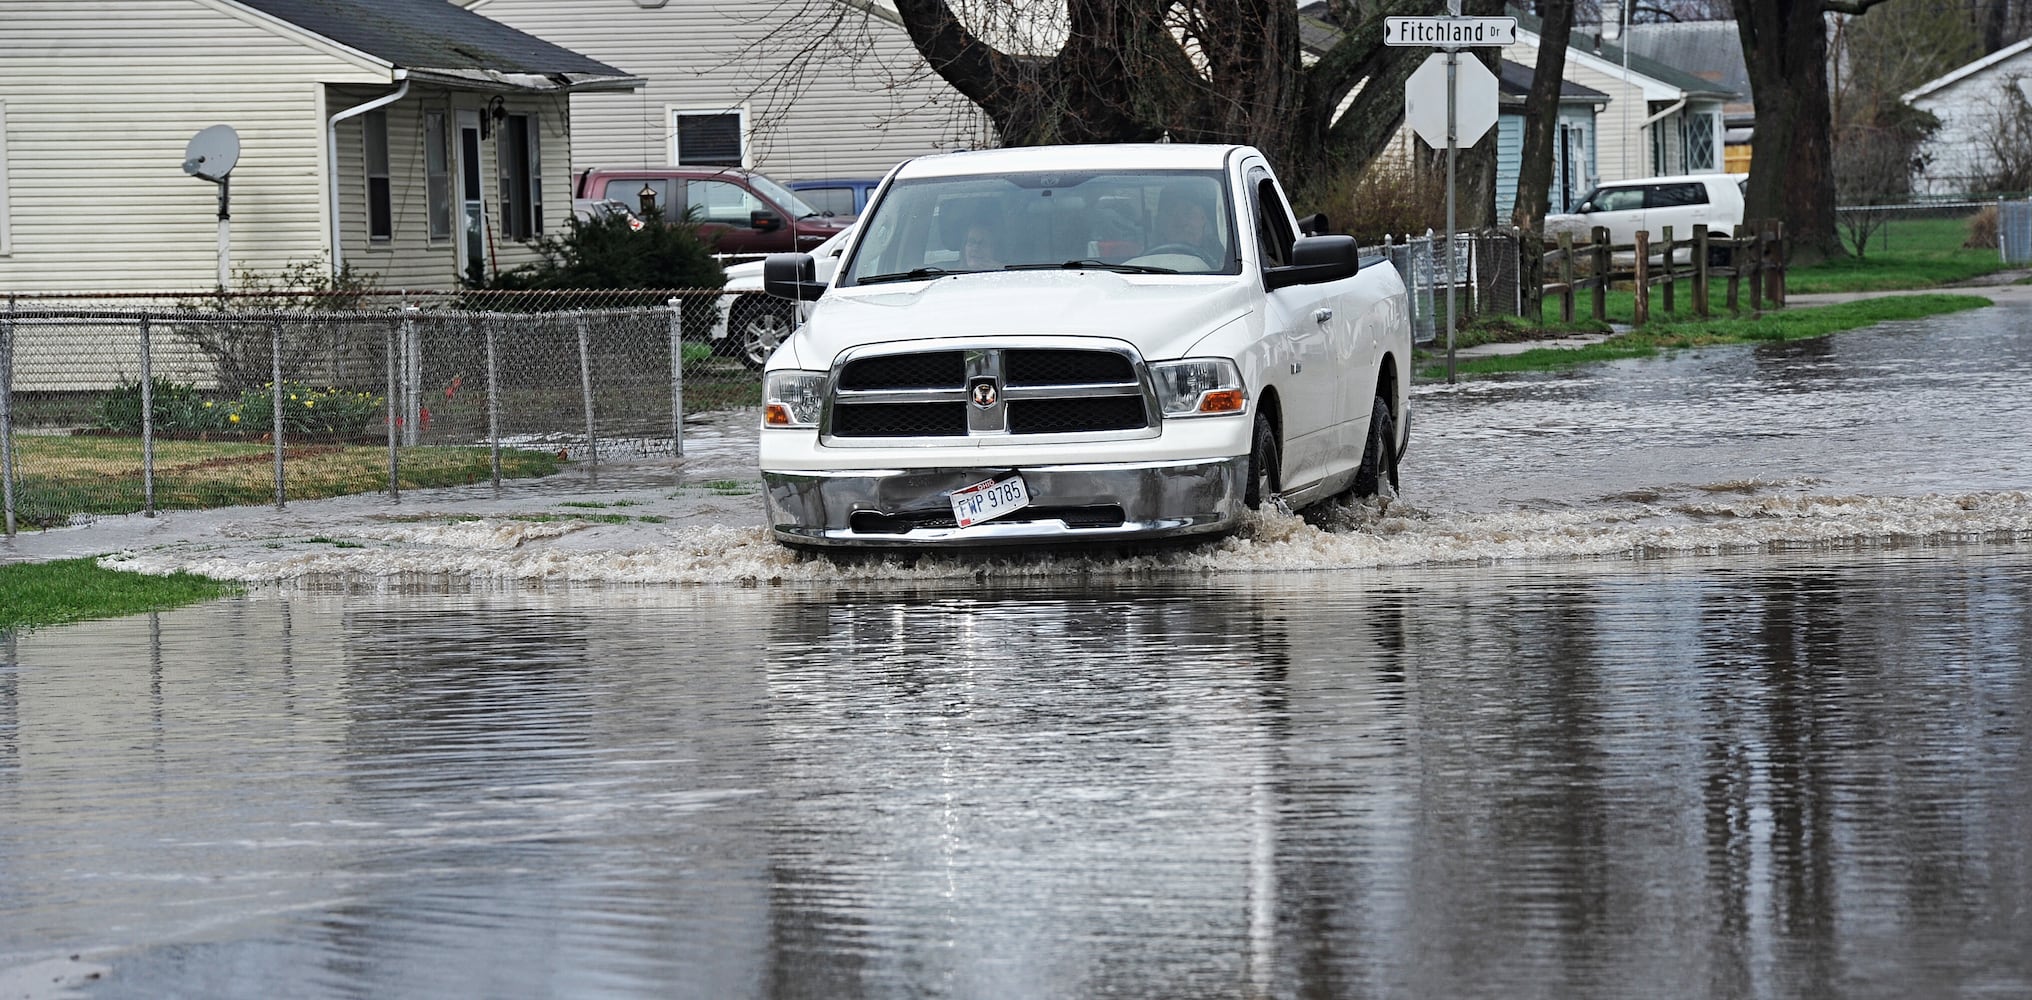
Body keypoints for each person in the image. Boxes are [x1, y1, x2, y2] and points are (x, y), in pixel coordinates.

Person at [1152, 186, 1222, 265]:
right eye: (1171, 213)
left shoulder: (1220, 252)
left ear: (1203, 217)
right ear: (1160, 223)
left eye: (1188, 212)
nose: (1182, 221)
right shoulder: (1143, 261)